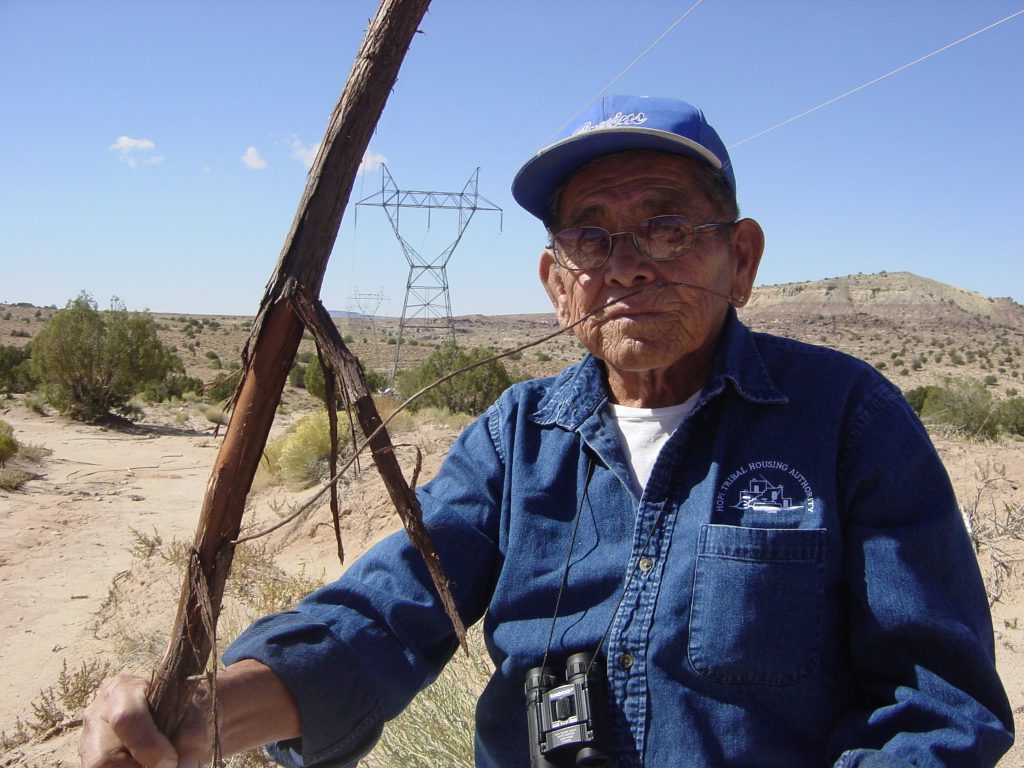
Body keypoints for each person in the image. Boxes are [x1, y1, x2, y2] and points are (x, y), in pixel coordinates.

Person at [80, 95, 1013, 768]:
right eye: (594, 237)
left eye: (666, 225)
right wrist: (205, 715)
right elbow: (383, 620)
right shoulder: (517, 436)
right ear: (557, 285)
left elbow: (938, 705)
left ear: (742, 259)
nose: (629, 266)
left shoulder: (848, 420)